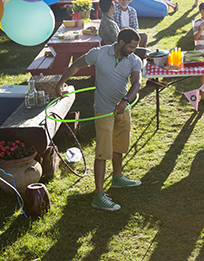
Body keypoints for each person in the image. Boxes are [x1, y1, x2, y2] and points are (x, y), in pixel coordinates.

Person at [55, 28, 143, 211]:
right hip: (104, 109)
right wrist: (60, 83)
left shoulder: (134, 60)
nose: (134, 50)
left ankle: (117, 177)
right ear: (120, 43)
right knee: (103, 151)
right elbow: (76, 65)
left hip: (122, 108)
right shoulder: (99, 53)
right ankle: (99, 195)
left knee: (119, 145)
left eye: (136, 47)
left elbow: (137, 83)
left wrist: (125, 100)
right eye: (131, 46)